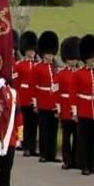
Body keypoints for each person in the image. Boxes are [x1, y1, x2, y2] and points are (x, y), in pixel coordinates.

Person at [73, 34, 94, 176]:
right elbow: (74, 94)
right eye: (91, 57)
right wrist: (74, 111)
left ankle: (92, 165)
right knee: (84, 140)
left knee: (93, 140)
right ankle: (84, 165)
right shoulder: (78, 74)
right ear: (85, 58)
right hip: (84, 110)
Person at [34, 30, 60, 163]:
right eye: (48, 54)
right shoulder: (38, 67)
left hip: (54, 103)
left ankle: (52, 154)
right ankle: (43, 154)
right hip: (43, 101)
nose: (50, 56)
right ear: (43, 54)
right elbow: (34, 87)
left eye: (52, 54)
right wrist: (36, 103)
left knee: (53, 129)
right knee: (44, 129)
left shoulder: (56, 68)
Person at [13, 31, 38, 157]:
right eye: (30, 50)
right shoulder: (18, 65)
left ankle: (32, 147)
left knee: (33, 125)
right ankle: (24, 145)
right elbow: (16, 84)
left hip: (33, 99)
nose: (32, 52)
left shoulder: (37, 65)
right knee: (23, 124)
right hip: (22, 98)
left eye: (33, 50)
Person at [58, 36, 81, 170]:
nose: (73, 61)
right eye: (71, 58)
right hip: (65, 107)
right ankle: (67, 160)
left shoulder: (79, 73)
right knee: (67, 136)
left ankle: (77, 160)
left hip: (77, 107)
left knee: (77, 136)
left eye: (75, 58)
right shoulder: (61, 74)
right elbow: (56, 92)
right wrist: (58, 108)